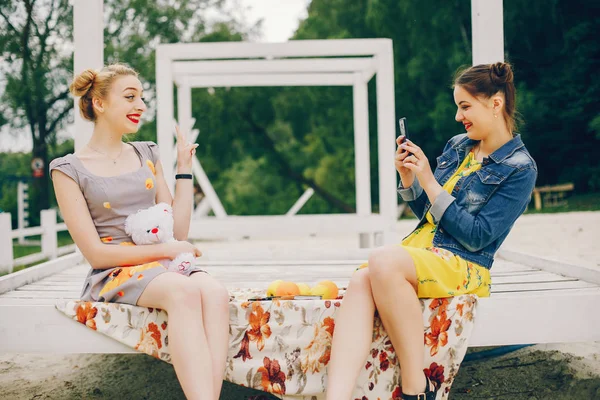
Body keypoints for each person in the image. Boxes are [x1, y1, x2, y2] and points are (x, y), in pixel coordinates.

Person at [326, 62, 537, 399]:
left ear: (495, 103)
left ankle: (415, 386)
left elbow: (477, 235)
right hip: (426, 252)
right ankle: (335, 396)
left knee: (381, 260)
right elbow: (431, 214)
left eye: (465, 106)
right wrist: (409, 179)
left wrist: (427, 178)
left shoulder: (520, 168)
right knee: (360, 280)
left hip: (463, 263)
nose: (458, 116)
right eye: (458, 106)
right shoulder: (458, 146)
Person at [50, 64, 229, 400]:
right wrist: (168, 251)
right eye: (130, 96)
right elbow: (96, 254)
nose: (141, 105)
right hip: (117, 270)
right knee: (184, 293)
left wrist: (184, 169)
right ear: (100, 104)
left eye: (142, 97)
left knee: (215, 294)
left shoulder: (146, 153)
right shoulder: (68, 169)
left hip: (164, 264)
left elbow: (176, 231)